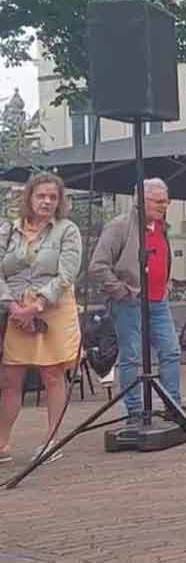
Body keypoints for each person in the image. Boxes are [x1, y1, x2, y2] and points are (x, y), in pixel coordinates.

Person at [89, 178, 186, 423]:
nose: (163, 206)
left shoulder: (162, 226)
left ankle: (173, 406)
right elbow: (97, 266)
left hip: (159, 301)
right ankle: (135, 412)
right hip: (130, 302)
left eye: (165, 201)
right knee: (132, 357)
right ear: (141, 201)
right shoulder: (119, 226)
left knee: (170, 352)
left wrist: (165, 283)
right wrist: (120, 290)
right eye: (158, 201)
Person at [0, 173, 82, 465]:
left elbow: (66, 274)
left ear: (59, 201)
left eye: (52, 197)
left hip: (53, 310)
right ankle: (2, 444)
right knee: (10, 377)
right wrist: (12, 307)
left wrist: (35, 308)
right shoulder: (9, 230)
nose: (46, 201)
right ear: (29, 198)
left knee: (52, 374)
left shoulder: (67, 230)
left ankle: (51, 441)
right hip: (16, 311)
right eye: (41, 196)